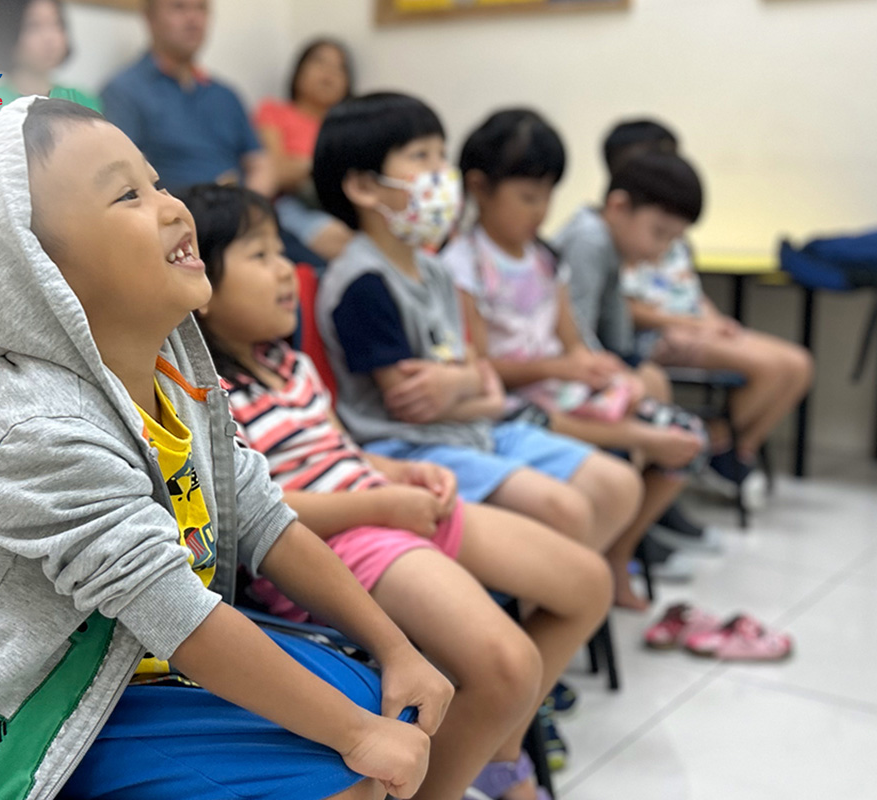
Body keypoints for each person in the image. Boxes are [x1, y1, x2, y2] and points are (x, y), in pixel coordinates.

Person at [0, 96, 453, 800]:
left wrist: (396, 648)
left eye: (155, 181)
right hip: (33, 723)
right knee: (351, 768)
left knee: (380, 700)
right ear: (33, 272)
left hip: (132, 675)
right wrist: (357, 737)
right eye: (128, 194)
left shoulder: (176, 386)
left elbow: (266, 521)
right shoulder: (38, 432)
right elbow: (181, 618)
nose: (174, 207)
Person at [183, 182, 613, 800]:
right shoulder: (210, 394)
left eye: (283, 251)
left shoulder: (292, 365)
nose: (287, 271)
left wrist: (397, 473)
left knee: (585, 583)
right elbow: (257, 513)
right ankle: (459, 773)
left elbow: (342, 453)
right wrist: (383, 503)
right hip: (333, 544)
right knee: (509, 666)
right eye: (259, 256)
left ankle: (493, 751)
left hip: (388, 510)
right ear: (202, 287)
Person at [312, 91, 642, 561]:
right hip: (410, 449)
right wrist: (474, 385)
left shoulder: (435, 270)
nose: (440, 172)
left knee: (618, 485)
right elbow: (414, 405)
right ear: (364, 186)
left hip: (472, 426)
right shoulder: (361, 282)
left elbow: (473, 373)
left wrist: (467, 384)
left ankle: (548, 605)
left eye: (441, 154)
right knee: (564, 510)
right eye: (420, 156)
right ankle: (535, 609)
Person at [442, 109, 713, 610]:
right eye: (527, 196)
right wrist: (559, 369)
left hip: (558, 388)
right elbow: (480, 366)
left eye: (547, 196)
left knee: (687, 437)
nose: (540, 211)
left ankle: (618, 551)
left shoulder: (546, 257)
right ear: (479, 188)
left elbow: (572, 340)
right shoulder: (463, 263)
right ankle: (587, 558)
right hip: (515, 400)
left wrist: (602, 370)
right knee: (635, 444)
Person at [605, 119, 815, 485]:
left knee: (798, 365)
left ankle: (733, 449)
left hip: (693, 324)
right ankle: (713, 445)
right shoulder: (620, 228)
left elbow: (689, 290)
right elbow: (625, 309)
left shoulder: (672, 231)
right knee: (769, 369)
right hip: (664, 335)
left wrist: (715, 321)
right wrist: (697, 326)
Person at [100, 0, 274, 196]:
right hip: (175, 217)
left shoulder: (225, 95)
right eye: (179, 7)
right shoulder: (124, 91)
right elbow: (125, 176)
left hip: (242, 214)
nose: (193, 19)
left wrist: (249, 210)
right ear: (150, 19)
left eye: (201, 8)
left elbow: (260, 163)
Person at [253, 39, 355, 260]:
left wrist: (303, 165)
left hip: (345, 204)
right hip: (291, 204)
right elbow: (276, 171)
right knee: (341, 240)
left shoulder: (350, 126)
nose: (329, 73)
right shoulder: (274, 111)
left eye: (339, 68)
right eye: (319, 62)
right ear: (298, 71)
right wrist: (321, 167)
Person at [0, 0, 102, 125]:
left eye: (56, 24)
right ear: (6, 33)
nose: (49, 37)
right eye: (33, 26)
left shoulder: (81, 100)